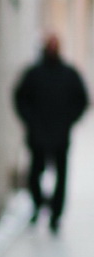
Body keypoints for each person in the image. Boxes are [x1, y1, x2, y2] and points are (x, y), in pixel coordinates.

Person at [13, 33, 88, 233]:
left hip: (60, 135)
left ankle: (56, 214)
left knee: (61, 177)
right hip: (38, 135)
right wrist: (30, 121)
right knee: (34, 175)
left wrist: (68, 121)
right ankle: (38, 205)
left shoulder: (69, 74)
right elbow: (20, 98)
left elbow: (82, 100)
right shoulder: (34, 74)